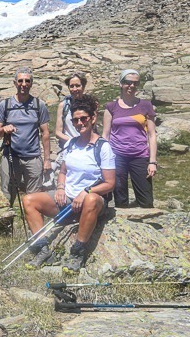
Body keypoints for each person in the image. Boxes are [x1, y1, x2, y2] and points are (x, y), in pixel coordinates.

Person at [21, 95, 115, 270]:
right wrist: (60, 188)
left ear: (93, 118)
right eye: (75, 120)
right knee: (29, 200)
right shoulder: (71, 144)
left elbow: (110, 183)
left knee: (92, 200)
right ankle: (44, 250)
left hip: (90, 202)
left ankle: (77, 252)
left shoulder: (103, 147)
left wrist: (87, 191)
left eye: (83, 119)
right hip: (68, 200)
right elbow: (63, 171)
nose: (79, 123)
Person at [0, 67, 51, 203]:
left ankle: (35, 223)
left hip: (33, 157)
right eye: (20, 81)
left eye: (27, 81)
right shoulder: (5, 105)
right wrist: (4, 129)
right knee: (7, 193)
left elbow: (45, 133)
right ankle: (8, 222)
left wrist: (47, 159)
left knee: (35, 197)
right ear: (15, 83)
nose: (23, 84)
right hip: (10, 157)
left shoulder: (39, 105)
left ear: (31, 84)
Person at [101, 69, 157, 208]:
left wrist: (152, 161)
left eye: (135, 83)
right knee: (120, 198)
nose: (131, 86)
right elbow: (105, 135)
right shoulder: (111, 107)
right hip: (117, 156)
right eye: (127, 82)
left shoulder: (145, 105)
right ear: (121, 84)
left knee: (146, 199)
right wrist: (103, 160)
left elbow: (152, 134)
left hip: (140, 155)